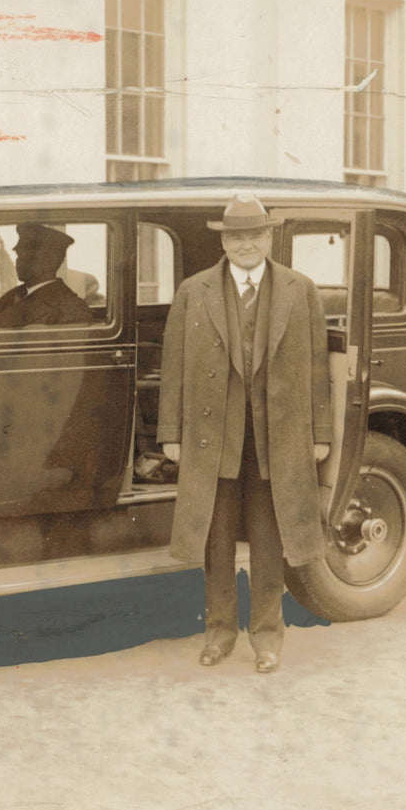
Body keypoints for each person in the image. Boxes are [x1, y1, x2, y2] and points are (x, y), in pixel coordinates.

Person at [156, 192, 332, 673]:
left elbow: (318, 370)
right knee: (215, 539)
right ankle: (218, 633)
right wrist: (171, 430)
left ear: (268, 237)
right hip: (214, 439)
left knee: (269, 538)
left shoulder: (301, 290)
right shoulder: (195, 291)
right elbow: (173, 368)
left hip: (278, 439)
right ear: (225, 241)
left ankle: (268, 638)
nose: (246, 245)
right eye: (236, 236)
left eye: (254, 235)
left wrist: (321, 434)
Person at [0, 224, 93, 328]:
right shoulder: (14, 295)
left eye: (29, 257)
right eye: (19, 255)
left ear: (49, 261)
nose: (19, 262)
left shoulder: (72, 309)